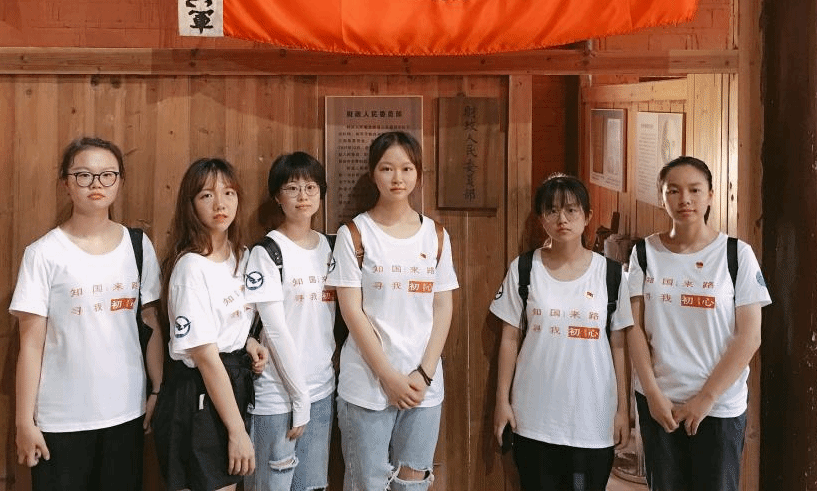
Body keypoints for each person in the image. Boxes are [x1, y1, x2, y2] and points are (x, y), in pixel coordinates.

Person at [10, 136, 163, 491]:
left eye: (107, 175)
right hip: (61, 420)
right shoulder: (43, 254)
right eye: (83, 175)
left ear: (120, 181)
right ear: (66, 183)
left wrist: (158, 389)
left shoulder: (138, 246)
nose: (96, 184)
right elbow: (30, 345)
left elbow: (150, 321)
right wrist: (24, 422)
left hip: (127, 412)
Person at [626, 156, 771, 491]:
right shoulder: (644, 253)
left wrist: (707, 397)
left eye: (694, 190)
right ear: (662, 197)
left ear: (710, 195)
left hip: (718, 406)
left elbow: (749, 336)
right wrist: (652, 394)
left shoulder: (737, 254)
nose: (684, 199)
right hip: (660, 403)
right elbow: (633, 329)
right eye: (673, 190)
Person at [326, 130, 458, 491]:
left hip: (422, 387)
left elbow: (443, 306)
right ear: (373, 174)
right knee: (366, 483)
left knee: (413, 483)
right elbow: (351, 312)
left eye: (406, 168)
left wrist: (424, 374)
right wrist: (388, 377)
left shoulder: (436, 235)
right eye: (386, 168)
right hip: (367, 384)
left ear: (418, 174)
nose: (397, 178)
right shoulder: (354, 233)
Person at [490, 173, 632, 491]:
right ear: (541, 218)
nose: (562, 219)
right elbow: (509, 339)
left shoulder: (609, 275)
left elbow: (619, 346)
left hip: (592, 420)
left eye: (571, 210)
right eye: (552, 211)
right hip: (533, 418)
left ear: (587, 216)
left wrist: (623, 410)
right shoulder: (524, 269)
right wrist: (502, 401)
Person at [155, 158, 268, 491]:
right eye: (207, 195)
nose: (220, 204)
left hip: (231, 383)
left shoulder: (239, 254)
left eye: (228, 193)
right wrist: (237, 431)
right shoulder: (191, 267)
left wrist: (247, 342)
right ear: (190, 205)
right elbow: (205, 357)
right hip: (199, 393)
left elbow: (227, 321)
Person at [245, 152, 336, 491]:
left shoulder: (331, 247)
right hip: (277, 396)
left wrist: (310, 397)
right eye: (292, 188)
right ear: (277, 196)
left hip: (322, 390)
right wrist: (299, 399)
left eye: (311, 187)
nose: (303, 196)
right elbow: (275, 330)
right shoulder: (267, 252)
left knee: (312, 486)